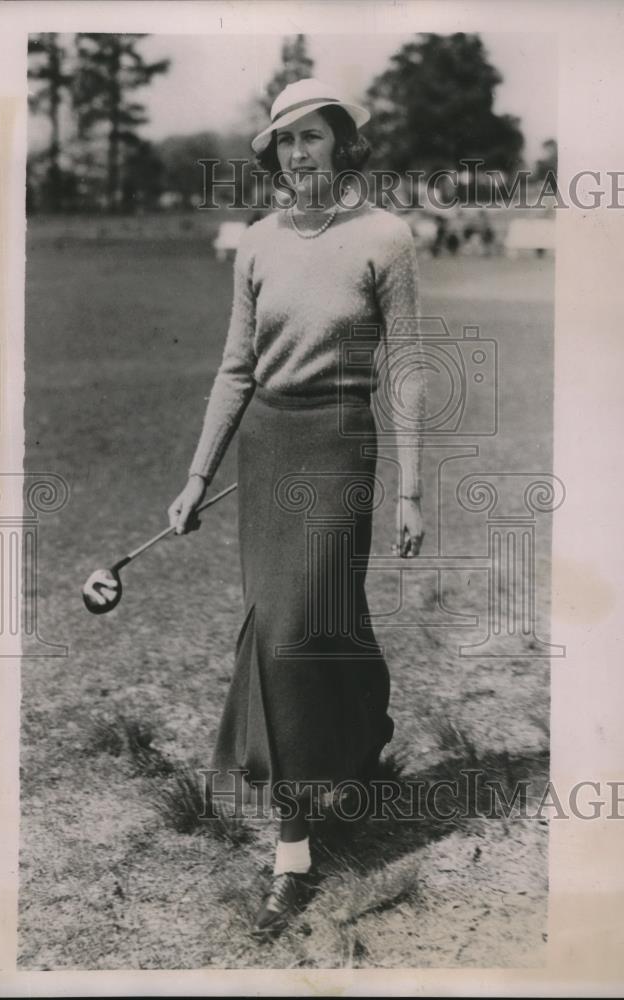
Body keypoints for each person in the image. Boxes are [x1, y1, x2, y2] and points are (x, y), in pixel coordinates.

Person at [166, 79, 426, 939]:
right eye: (284, 143)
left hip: (342, 445)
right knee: (318, 626)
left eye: (312, 137)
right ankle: (362, 736)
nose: (298, 154)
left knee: (285, 636)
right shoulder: (255, 241)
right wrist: (197, 479)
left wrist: (413, 491)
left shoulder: (386, 238)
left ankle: (291, 856)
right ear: (272, 156)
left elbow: (409, 370)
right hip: (266, 449)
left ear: (342, 143)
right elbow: (235, 368)